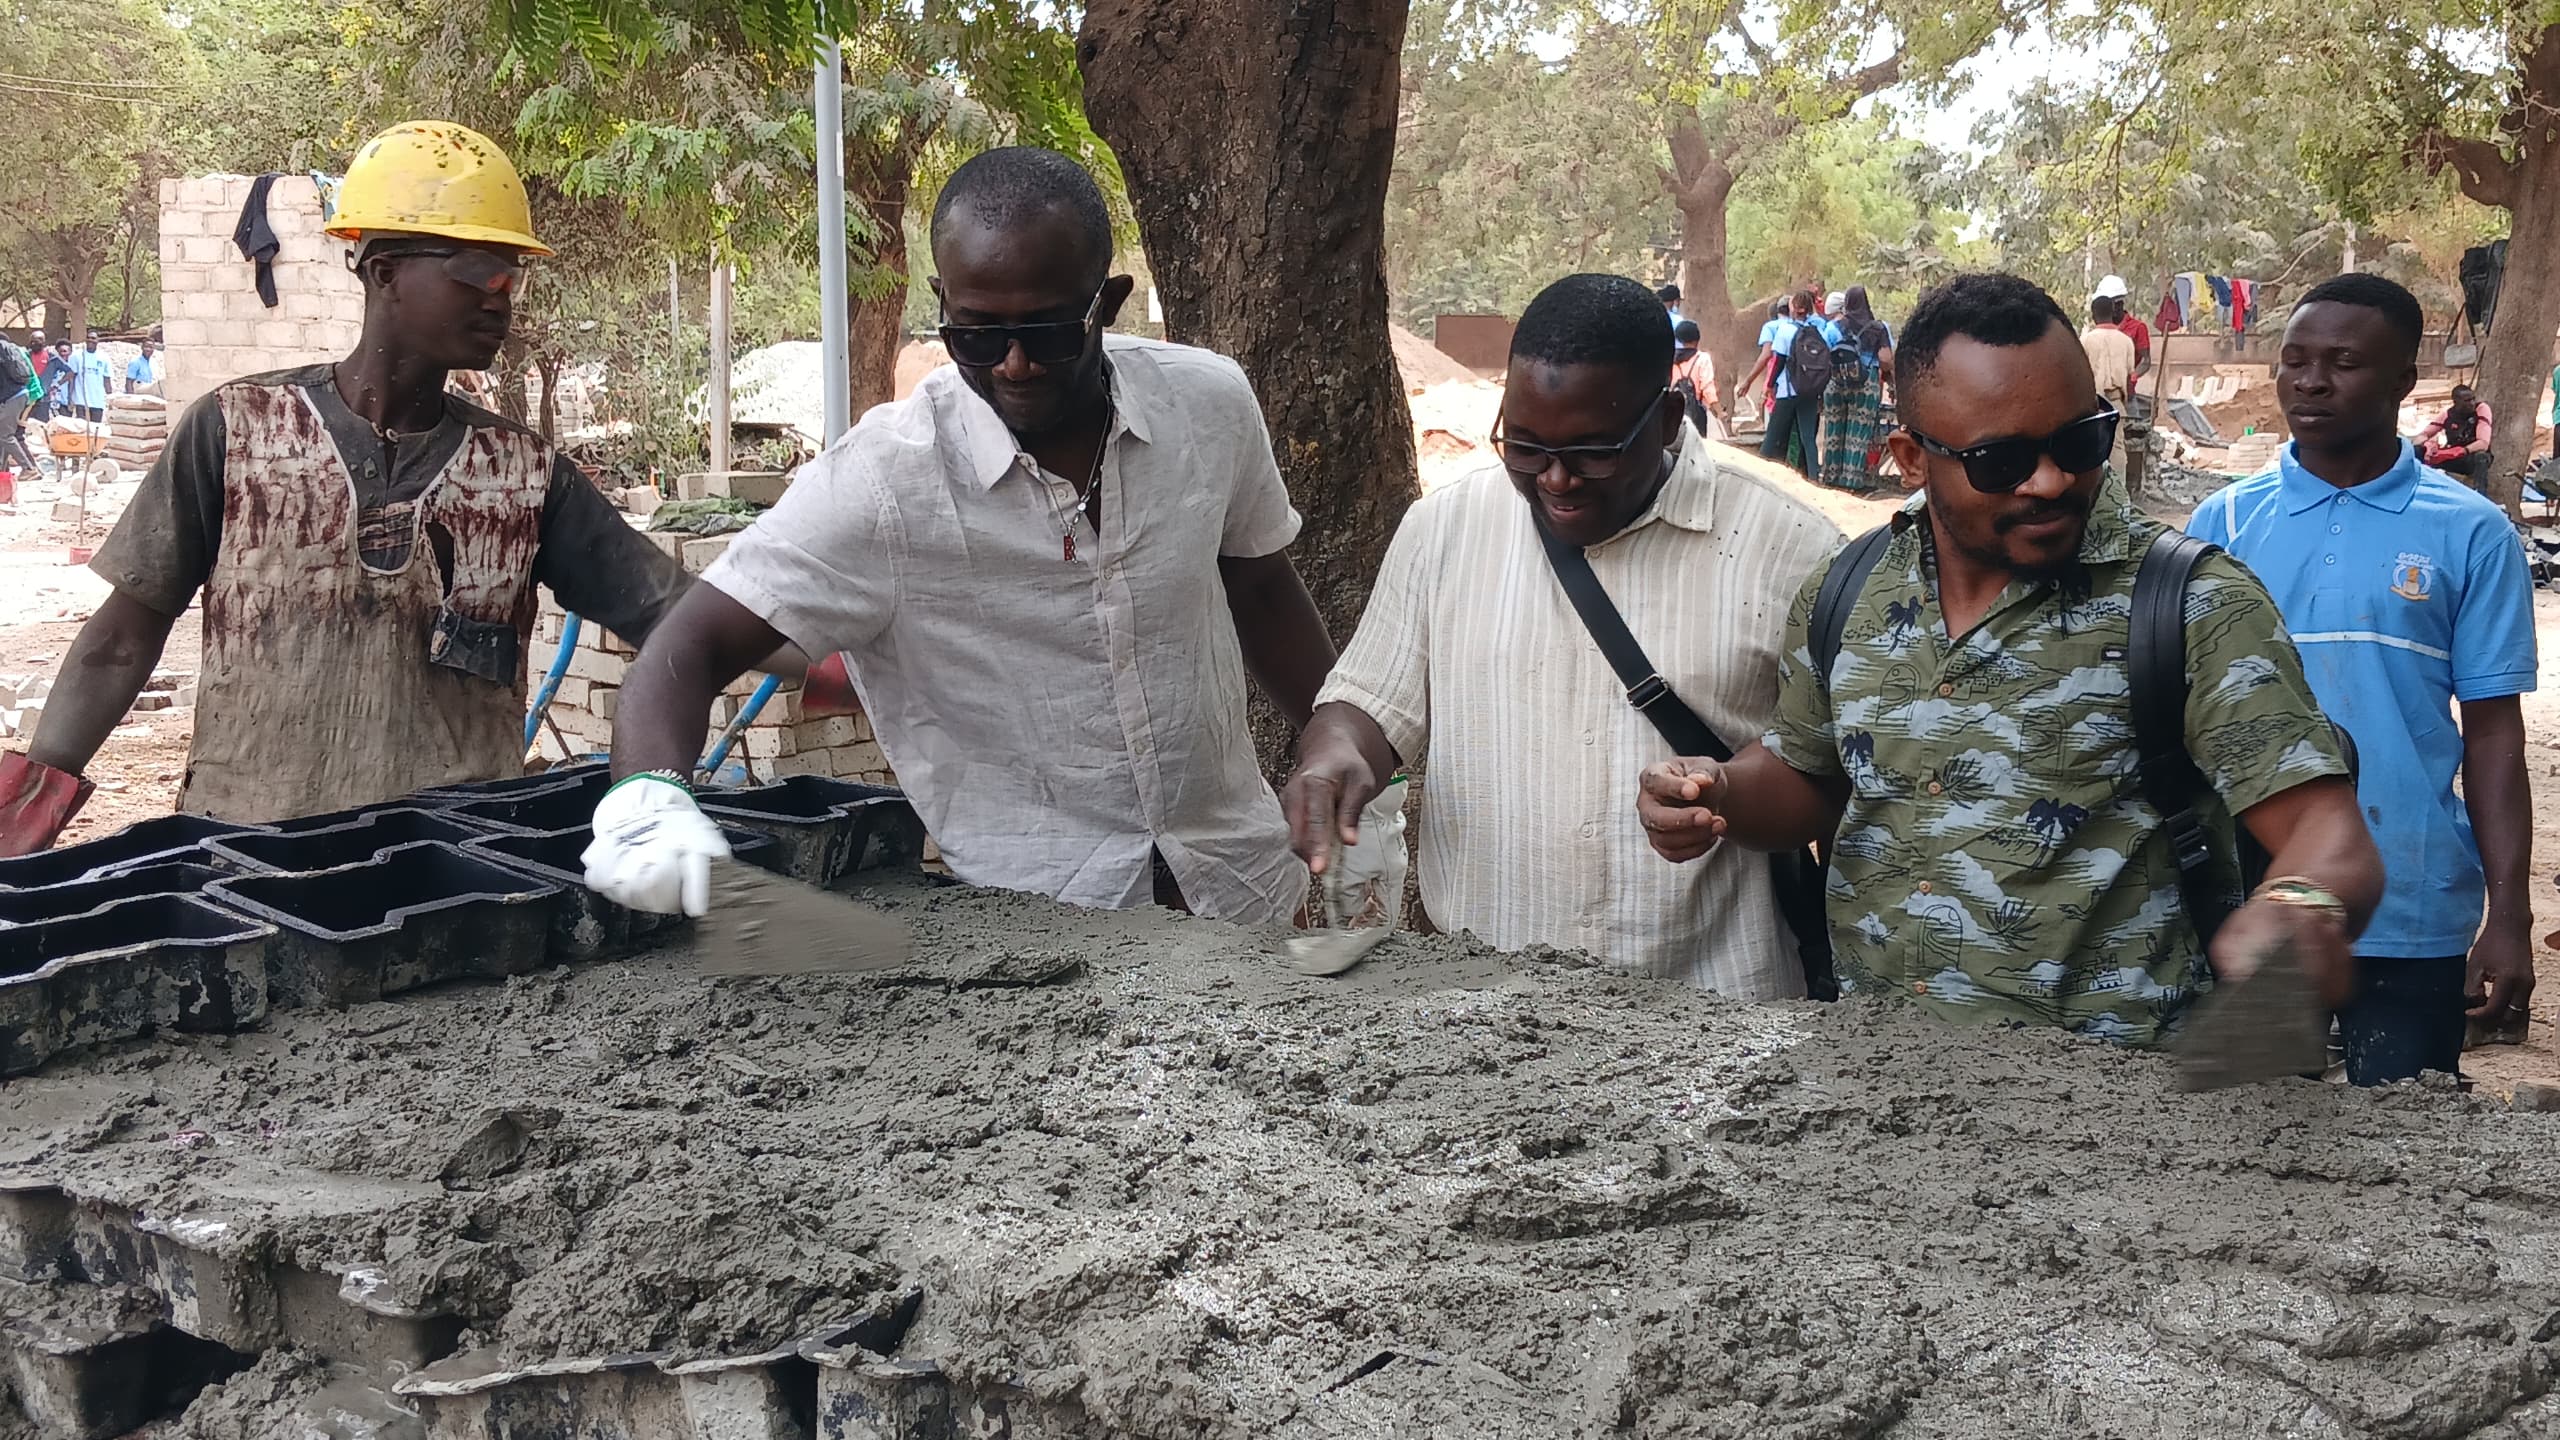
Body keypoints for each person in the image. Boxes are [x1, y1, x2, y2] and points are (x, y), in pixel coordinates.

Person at [581, 146, 1337, 925]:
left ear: (1107, 303)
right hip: (1045, 930)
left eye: (1048, 331)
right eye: (976, 334)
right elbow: (689, 646)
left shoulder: (1208, 408)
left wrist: (1341, 739)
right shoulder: (884, 484)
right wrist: (648, 799)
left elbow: (1260, 586)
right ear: (943, 300)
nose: (1014, 365)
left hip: (1244, 888)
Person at [1637, 272, 2383, 1048]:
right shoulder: (1846, 589)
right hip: (1878, 1081)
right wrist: (1720, 791)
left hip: (2115, 1100)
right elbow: (1810, 778)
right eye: (2002, 460)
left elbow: (2326, 829)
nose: (2051, 481)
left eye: (2080, 441)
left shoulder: (2191, 604)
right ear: (1911, 459)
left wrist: (2300, 908)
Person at [0, 121, 724, 851]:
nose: (500, 300)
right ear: (382, 273)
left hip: (458, 870)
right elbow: (122, 638)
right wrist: (27, 809)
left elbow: (682, 619)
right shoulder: (236, 429)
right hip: (248, 858)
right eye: (477, 273)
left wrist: (794, 629)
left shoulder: (525, 475)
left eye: (512, 277)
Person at [1286, 273, 1841, 995]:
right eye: (1524, 448)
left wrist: (1723, 795)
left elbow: (1830, 776)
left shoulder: (1792, 548)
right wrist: (1333, 753)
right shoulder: (1443, 531)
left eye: (1592, 452)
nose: (1555, 480)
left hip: (1714, 1009)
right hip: (1489, 1007)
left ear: (1668, 418)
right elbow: (1366, 704)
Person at [2190, 273, 2536, 1081]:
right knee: (2251, 1136)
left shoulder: (2472, 533)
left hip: (2414, 905)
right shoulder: (2223, 524)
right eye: (2295, 360)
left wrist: (2510, 914)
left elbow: (2493, 737)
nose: (2310, 381)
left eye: (2343, 362)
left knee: (2403, 1137)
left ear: (2402, 380)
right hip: (2259, 916)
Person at [1741, 291, 1833, 477]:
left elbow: (1779, 361)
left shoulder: (1785, 330)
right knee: (1808, 438)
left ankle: (1758, 474)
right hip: (1809, 390)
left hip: (1788, 390)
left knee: (1772, 435)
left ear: (1793, 308)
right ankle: (1814, 477)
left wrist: (1769, 386)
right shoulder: (1817, 331)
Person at [1817, 285, 1893, 492]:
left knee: (1833, 431)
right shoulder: (1879, 328)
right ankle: (1851, 481)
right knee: (1858, 434)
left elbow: (1823, 355)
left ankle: (1831, 477)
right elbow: (1886, 359)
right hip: (1865, 384)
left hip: (1836, 382)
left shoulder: (1834, 327)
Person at [2079, 295, 2138, 477]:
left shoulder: (2085, 341)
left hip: (2093, 404)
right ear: (2113, 312)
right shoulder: (2126, 341)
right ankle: (2119, 489)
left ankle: (2094, 488)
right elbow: (2130, 376)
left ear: (2093, 314)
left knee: (2092, 447)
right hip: (2116, 402)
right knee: (2117, 447)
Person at [2417, 384, 2494, 492]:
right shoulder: (2447, 415)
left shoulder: (2481, 408)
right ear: (2456, 402)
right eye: (2467, 401)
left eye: (2473, 399)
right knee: (2417, 451)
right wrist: (2427, 445)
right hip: (2452, 457)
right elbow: (2422, 435)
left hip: (2470, 457)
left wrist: (2462, 451)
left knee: (2481, 456)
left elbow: (2483, 443)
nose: (2472, 403)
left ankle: (2480, 493)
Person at [1669, 318, 1723, 438]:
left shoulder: (1671, 358)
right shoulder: (1702, 359)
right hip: (1695, 416)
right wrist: (1719, 411)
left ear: (1678, 339)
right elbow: (1707, 388)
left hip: (1672, 414)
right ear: (1698, 338)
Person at [0, 335, 39, 476]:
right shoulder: (10, 350)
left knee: (5, 435)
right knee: (5, 433)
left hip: (12, 397)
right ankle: (3, 469)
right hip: (20, 394)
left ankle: (29, 469)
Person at [64, 331, 112, 423]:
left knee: (96, 427)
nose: (90, 340)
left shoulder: (104, 358)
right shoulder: (76, 356)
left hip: (97, 401)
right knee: (81, 427)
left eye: (93, 338)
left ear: (98, 340)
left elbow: (107, 380)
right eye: (88, 338)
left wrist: (110, 399)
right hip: (81, 401)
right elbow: (71, 378)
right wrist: (70, 397)